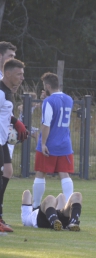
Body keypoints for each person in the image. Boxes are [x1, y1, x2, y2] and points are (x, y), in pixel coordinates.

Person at [32, 72, 74, 210]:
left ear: (48, 86)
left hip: (50, 144)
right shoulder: (69, 99)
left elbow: (47, 124)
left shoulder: (48, 102)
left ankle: (36, 206)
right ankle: (68, 206)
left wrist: (43, 143)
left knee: (40, 172)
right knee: (64, 173)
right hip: (65, 143)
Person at [0, 58, 28, 231]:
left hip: (2, 140)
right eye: (19, 74)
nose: (22, 78)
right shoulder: (1, 92)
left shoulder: (8, 91)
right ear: (7, 74)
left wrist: (15, 122)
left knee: (7, 172)